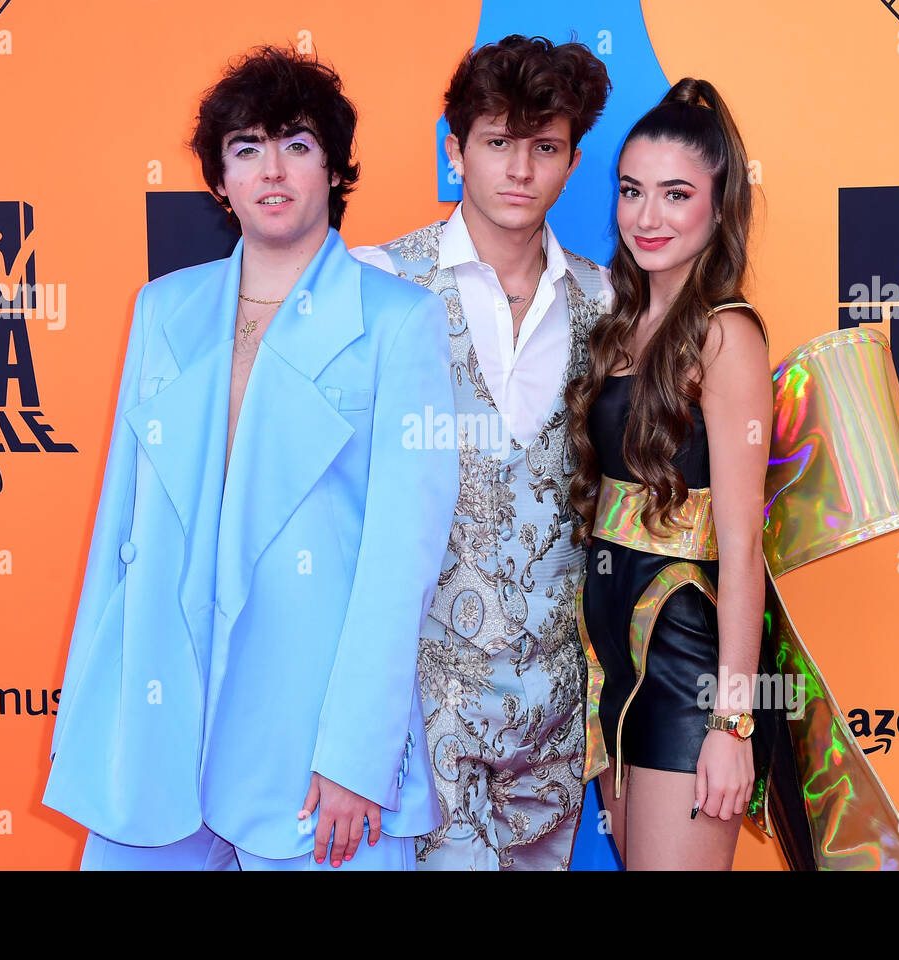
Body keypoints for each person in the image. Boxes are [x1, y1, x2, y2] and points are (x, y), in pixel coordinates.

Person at [42, 45, 459, 871]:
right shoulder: (165, 310)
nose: (273, 169)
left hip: (310, 745)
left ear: (335, 169)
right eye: (246, 148)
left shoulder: (397, 323)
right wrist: (96, 719)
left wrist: (356, 753)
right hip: (161, 720)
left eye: (298, 145)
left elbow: (397, 560)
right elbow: (117, 539)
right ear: (219, 181)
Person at [566, 80, 899, 871]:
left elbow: (740, 545)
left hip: (688, 663)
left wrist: (732, 727)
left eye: (675, 194)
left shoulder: (726, 335)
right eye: (632, 192)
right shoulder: (619, 324)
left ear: (718, 205)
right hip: (613, 662)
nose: (647, 217)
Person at [352, 34, 612, 870]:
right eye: (498, 142)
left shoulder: (606, 300)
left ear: (572, 159)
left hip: (556, 717)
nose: (521, 169)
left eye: (545, 147)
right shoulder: (381, 284)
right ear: (455, 149)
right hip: (424, 711)